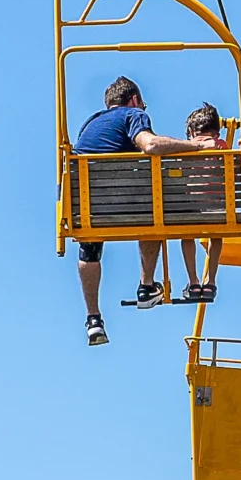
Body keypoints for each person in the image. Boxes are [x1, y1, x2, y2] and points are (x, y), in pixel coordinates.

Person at [71, 74, 170, 344]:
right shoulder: (132, 115)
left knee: (89, 243)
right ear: (135, 100)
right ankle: (147, 286)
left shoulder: (89, 123)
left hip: (84, 207)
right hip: (122, 203)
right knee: (159, 210)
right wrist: (193, 146)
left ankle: (93, 318)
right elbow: (149, 145)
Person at [176, 101, 230, 302]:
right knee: (216, 235)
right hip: (218, 208)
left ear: (191, 130)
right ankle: (211, 281)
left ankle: (193, 281)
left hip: (191, 210)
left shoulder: (185, 148)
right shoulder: (222, 147)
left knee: (187, 234)